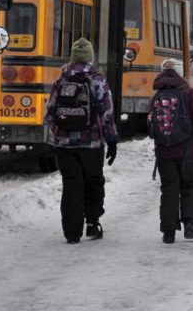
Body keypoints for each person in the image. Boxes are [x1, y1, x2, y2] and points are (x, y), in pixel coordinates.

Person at [44, 38, 118, 244]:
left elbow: (49, 114)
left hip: (65, 146)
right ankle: (92, 223)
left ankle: (72, 232)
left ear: (72, 58)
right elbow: (107, 112)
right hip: (92, 144)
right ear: (90, 58)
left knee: (71, 186)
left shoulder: (60, 81)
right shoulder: (97, 80)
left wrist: (60, 133)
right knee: (93, 182)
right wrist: (111, 139)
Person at [148, 59, 193, 244]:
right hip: (189, 150)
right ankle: (189, 224)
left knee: (169, 188)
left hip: (165, 151)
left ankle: (168, 231)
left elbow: (150, 125)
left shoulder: (157, 96)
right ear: (181, 74)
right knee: (189, 185)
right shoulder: (189, 94)